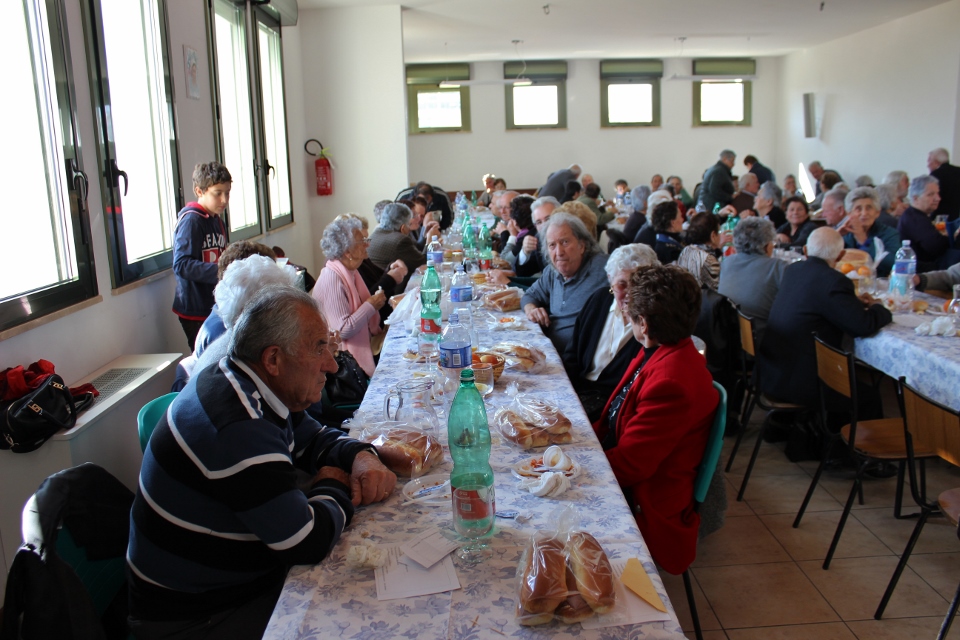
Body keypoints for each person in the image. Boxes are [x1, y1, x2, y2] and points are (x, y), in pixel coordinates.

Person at [128, 286, 396, 639]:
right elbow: (306, 542)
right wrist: (334, 482)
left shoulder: (243, 380)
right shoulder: (239, 424)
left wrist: (360, 456)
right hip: (195, 616)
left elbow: (313, 438)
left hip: (217, 586)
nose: (331, 365)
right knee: (365, 615)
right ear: (273, 359)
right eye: (319, 348)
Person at [593, 265, 718, 575]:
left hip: (646, 500)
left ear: (644, 324)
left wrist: (579, 468)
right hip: (626, 470)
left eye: (631, 316)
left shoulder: (671, 381)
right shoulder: (661, 348)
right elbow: (615, 416)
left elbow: (632, 465)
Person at [758, 227, 892, 409]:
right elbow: (863, 325)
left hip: (771, 371)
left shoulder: (793, 270)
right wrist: (878, 307)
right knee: (871, 398)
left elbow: (816, 301)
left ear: (805, 250)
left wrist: (851, 302)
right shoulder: (834, 281)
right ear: (840, 255)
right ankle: (831, 428)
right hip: (801, 381)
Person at [562, 244, 658, 422]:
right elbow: (572, 354)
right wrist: (566, 394)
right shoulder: (599, 300)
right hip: (577, 394)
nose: (630, 293)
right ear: (610, 280)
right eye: (622, 285)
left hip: (614, 408)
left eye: (637, 284)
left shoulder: (652, 324)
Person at [521, 213, 608, 352]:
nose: (559, 252)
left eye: (565, 242)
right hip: (550, 351)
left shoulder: (604, 269)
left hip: (576, 358)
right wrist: (531, 309)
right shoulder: (552, 271)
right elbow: (529, 295)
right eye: (552, 245)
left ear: (582, 245)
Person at [314, 216, 385, 377]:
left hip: (358, 352)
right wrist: (371, 305)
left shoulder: (350, 272)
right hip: (345, 366)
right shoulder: (332, 278)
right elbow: (342, 330)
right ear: (347, 252)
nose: (367, 244)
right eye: (362, 241)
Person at [172, 162, 230, 351]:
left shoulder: (217, 220)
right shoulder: (192, 220)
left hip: (214, 305)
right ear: (199, 191)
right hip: (196, 309)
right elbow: (182, 264)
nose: (224, 200)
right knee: (207, 359)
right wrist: (222, 271)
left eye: (227, 193)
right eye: (217, 193)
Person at [337, 213, 407, 326]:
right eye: (362, 240)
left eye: (367, 238)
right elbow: (364, 300)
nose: (368, 244)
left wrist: (391, 268)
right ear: (347, 244)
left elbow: (377, 276)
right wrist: (390, 278)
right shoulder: (345, 267)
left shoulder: (360, 258)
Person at [718, 217, 786, 327]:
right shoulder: (778, 267)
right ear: (766, 246)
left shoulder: (727, 262)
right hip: (761, 332)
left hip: (728, 331)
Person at [839, 186, 901, 276]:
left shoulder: (890, 234)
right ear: (849, 214)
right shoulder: (845, 235)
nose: (864, 213)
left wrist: (863, 241)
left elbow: (893, 263)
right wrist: (836, 236)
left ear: (877, 213)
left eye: (869, 208)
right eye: (858, 209)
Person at [367, 202, 426, 285]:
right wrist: (430, 242)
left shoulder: (373, 234)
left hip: (373, 285)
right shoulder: (400, 240)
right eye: (409, 224)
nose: (409, 228)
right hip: (388, 287)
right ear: (403, 227)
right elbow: (422, 263)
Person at [676, 211, 722, 290]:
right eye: (719, 232)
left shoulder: (686, 250)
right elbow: (719, 290)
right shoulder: (708, 260)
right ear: (713, 236)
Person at [514, 196, 558, 277]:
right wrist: (525, 252)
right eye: (539, 222)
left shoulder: (572, 238)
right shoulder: (538, 239)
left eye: (548, 219)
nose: (544, 225)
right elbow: (522, 273)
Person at [498, 194, 536, 269]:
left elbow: (504, 260)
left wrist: (511, 235)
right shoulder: (530, 231)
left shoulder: (526, 236)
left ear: (515, 222)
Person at [928, 147, 960, 220]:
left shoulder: (935, 174)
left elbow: (931, 198)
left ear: (936, 162)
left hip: (939, 217)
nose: (928, 165)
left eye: (929, 161)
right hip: (956, 217)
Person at [650, 200, 684, 264]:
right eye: (680, 216)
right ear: (673, 223)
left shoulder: (659, 240)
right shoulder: (671, 252)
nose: (682, 220)